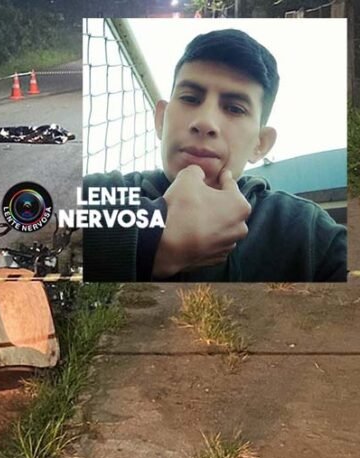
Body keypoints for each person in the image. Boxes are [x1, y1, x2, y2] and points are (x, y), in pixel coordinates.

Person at [82, 28, 347, 282]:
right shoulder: (105, 192)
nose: (205, 121)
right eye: (189, 98)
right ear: (161, 119)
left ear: (260, 144)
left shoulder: (309, 233)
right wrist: (144, 241)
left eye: (234, 108)